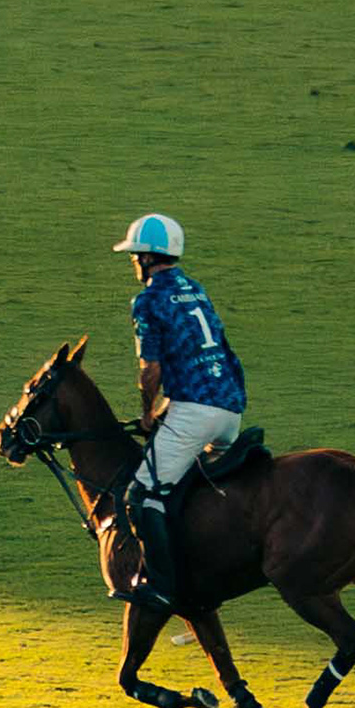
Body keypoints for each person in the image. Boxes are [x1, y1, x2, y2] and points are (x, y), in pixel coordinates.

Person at [114, 212, 247, 615]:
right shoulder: (196, 289)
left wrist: (149, 413)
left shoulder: (149, 300)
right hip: (230, 408)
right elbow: (214, 351)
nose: (134, 263)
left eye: (136, 256)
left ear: (150, 258)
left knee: (141, 495)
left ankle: (164, 588)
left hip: (194, 411)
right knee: (189, 490)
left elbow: (150, 369)